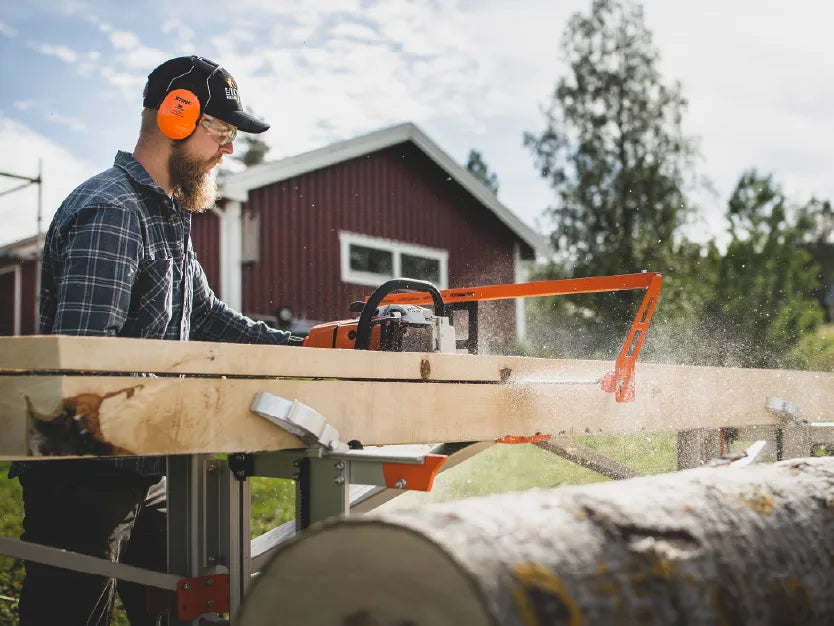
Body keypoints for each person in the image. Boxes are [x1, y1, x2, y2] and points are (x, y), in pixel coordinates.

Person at [9, 55, 295, 625]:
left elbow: (207, 317)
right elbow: (89, 364)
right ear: (176, 117)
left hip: (146, 464)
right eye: (222, 133)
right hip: (87, 470)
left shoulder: (165, 213)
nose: (228, 150)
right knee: (70, 614)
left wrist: (307, 346)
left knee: (177, 607)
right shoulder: (112, 211)